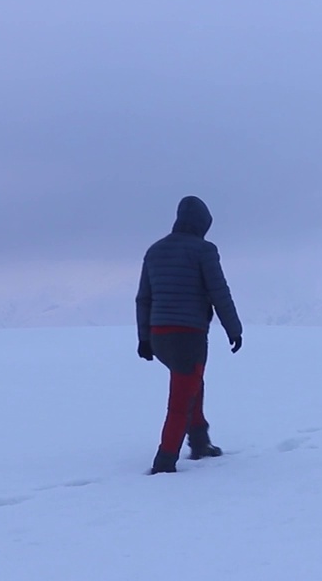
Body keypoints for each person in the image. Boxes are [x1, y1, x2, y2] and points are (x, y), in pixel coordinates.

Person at [136, 196, 243, 474]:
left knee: (192, 383)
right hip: (188, 336)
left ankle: (199, 441)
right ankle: (164, 461)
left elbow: (143, 299)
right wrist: (234, 329)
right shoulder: (204, 250)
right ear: (202, 225)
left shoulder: (155, 250)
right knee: (181, 399)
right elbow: (219, 291)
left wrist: (144, 339)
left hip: (159, 336)